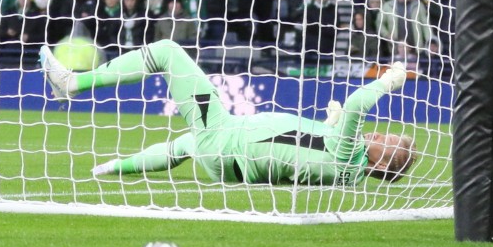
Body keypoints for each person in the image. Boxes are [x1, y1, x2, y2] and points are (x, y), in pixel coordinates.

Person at [40, 39, 417, 185]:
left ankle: (72, 83)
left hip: (225, 138)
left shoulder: (351, 154)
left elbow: (356, 104)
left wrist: (390, 79)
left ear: (381, 168)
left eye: (387, 143)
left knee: (168, 52)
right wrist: (330, 125)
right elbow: (300, 147)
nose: (380, 134)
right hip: (226, 162)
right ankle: (108, 169)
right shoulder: (346, 170)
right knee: (185, 144)